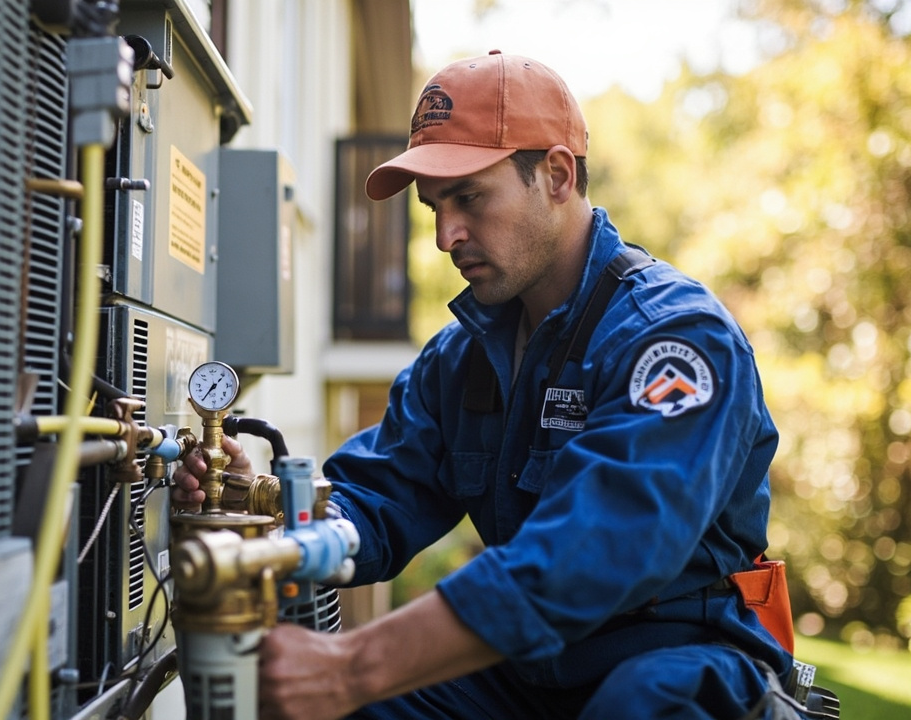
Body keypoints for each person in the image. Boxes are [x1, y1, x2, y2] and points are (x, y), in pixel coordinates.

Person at [174, 50, 799, 719]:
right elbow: (378, 497)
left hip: (677, 655)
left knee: (638, 707)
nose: (446, 236)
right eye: (434, 206)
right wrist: (264, 508)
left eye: (469, 197)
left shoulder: (674, 339)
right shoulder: (460, 358)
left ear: (556, 175)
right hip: (530, 669)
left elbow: (589, 556)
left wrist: (353, 667)